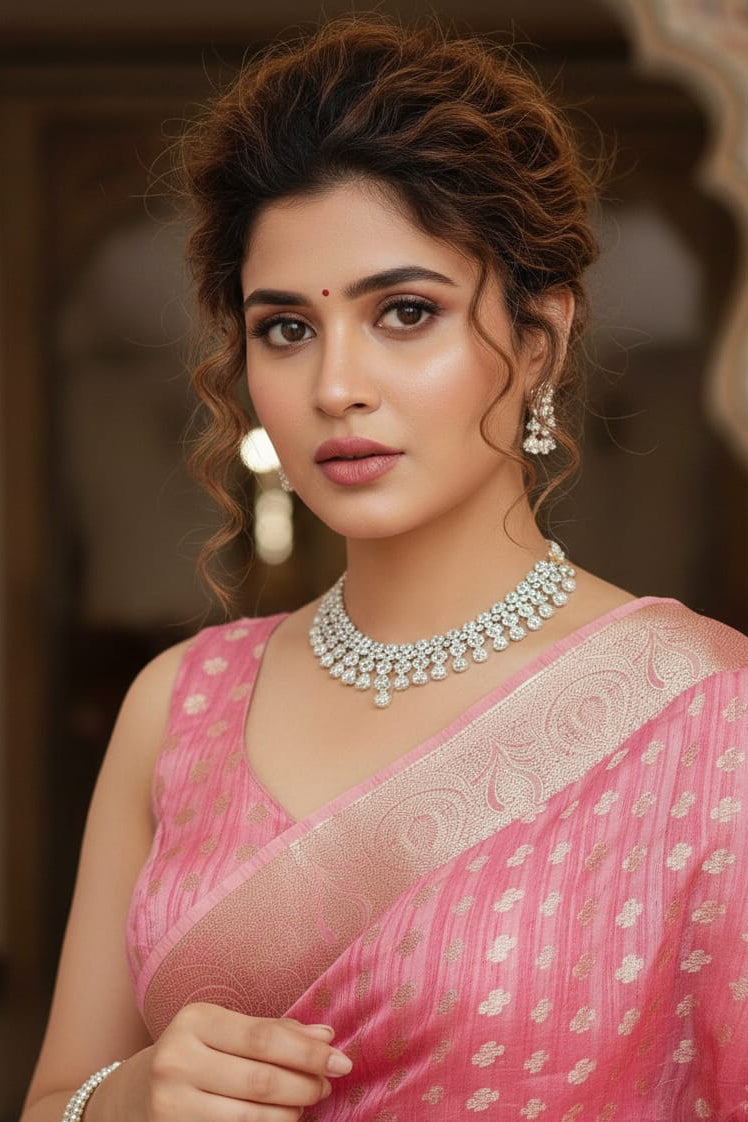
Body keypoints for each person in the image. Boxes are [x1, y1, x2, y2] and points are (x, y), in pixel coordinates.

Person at [20, 16, 748, 1122]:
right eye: (285, 329)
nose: (336, 386)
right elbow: (55, 1101)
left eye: (406, 313)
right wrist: (124, 1102)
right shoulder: (179, 707)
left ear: (539, 340)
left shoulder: (709, 718)